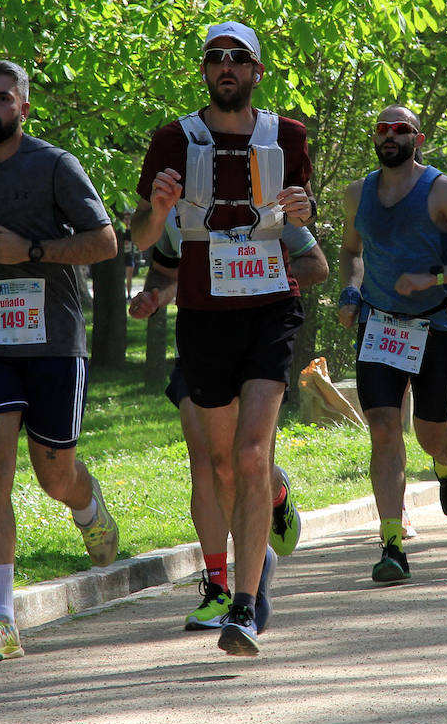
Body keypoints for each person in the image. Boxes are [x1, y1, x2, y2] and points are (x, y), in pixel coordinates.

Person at [132, 21, 314, 655]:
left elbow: (300, 223)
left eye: (238, 59)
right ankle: (255, 552)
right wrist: (156, 211)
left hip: (271, 307)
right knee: (217, 464)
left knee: (248, 454)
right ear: (204, 70)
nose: (226, 67)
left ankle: (245, 602)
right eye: (216, 59)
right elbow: (140, 238)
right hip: (205, 314)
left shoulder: (287, 137)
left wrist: (301, 215)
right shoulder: (171, 141)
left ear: (257, 71)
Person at [0, 59, 120, 663]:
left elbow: (104, 241)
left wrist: (32, 250)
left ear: (23, 107)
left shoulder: (55, 166)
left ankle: (87, 505)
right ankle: (3, 620)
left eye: (2, 98)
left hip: (53, 341)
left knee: (53, 475)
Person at [129, 212, 327, 633]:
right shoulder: (176, 207)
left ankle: (273, 498)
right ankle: (219, 587)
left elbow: (317, 264)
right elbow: (164, 273)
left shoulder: (264, 195)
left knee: (249, 459)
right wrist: (153, 297)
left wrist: (251, 278)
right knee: (210, 463)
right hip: (201, 339)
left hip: (258, 336)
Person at [339, 104, 447, 582]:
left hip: (434, 326)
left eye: (400, 129)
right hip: (379, 326)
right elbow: (351, 251)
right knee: (384, 429)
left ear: (418, 138)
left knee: (431, 432)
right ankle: (392, 545)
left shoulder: (441, 191)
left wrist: (434, 277)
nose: (389, 136)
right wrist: (350, 291)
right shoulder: (357, 194)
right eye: (382, 129)